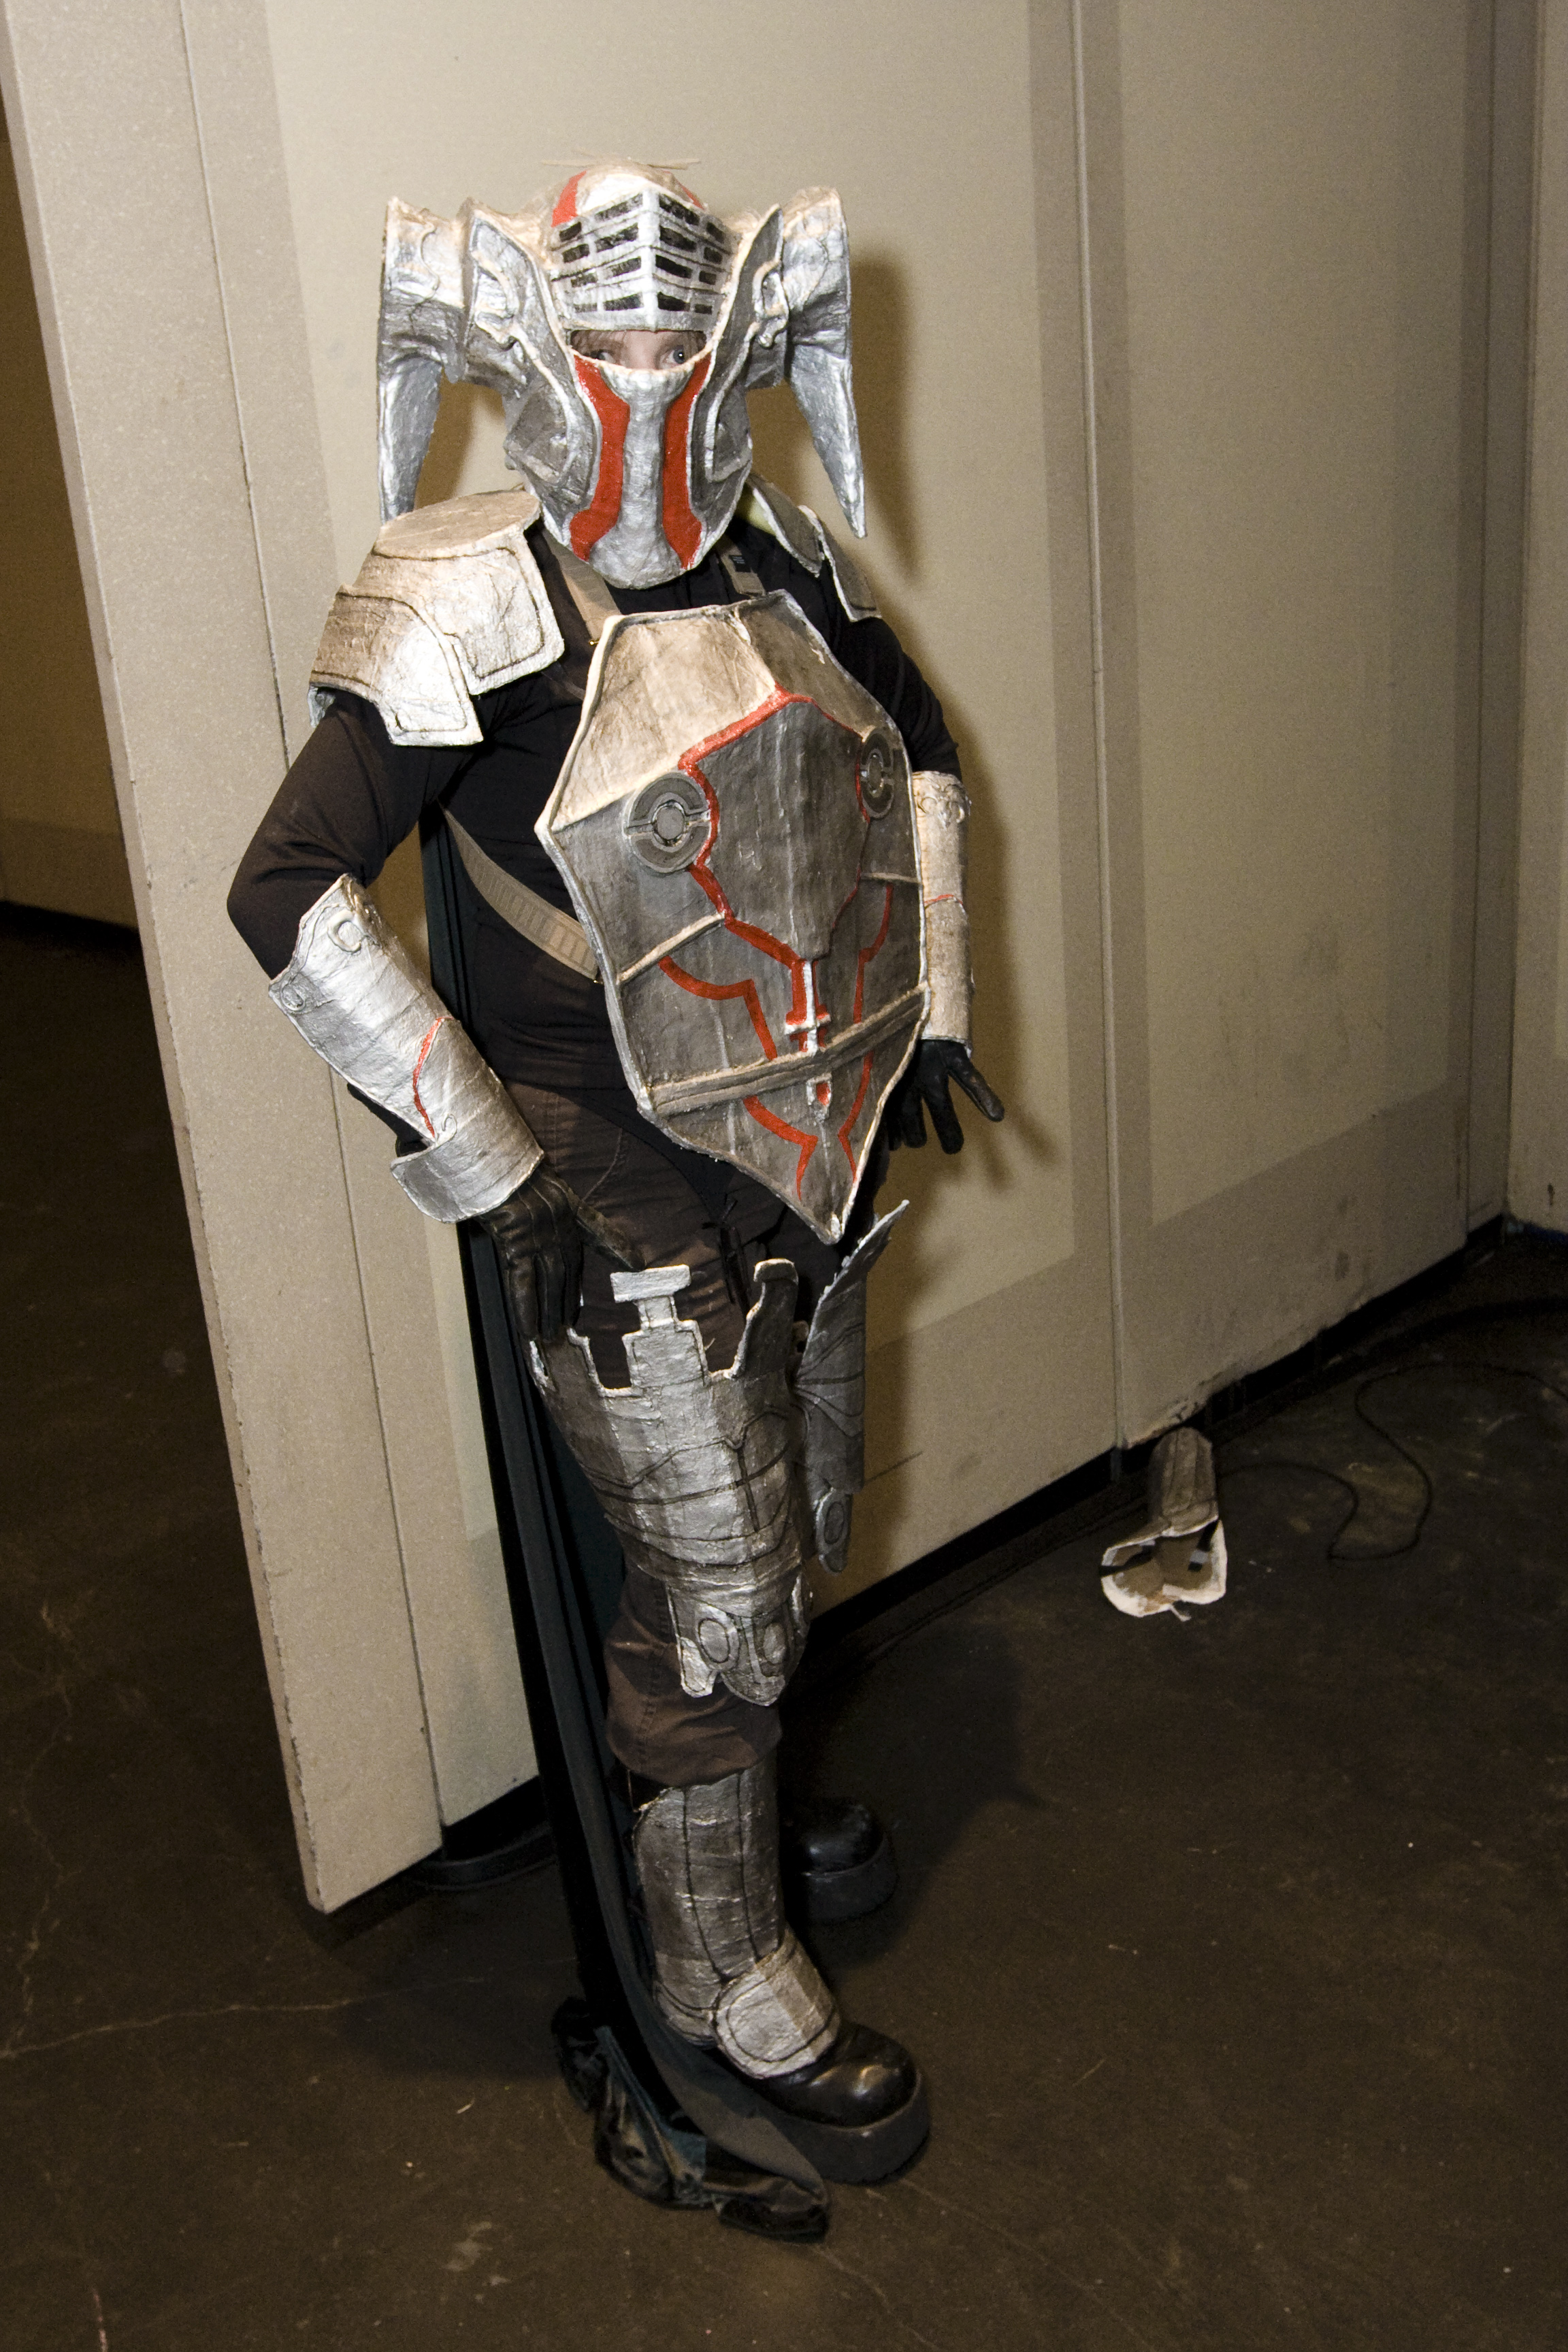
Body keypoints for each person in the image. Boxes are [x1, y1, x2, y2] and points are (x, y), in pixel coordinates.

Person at [229, 161, 1002, 2187]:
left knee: (798, 1527)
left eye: (689, 355)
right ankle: (718, 1969)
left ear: (742, 359)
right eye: (621, 358)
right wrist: (495, 1171)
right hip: (605, 1174)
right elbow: (288, 889)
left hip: (802, 1140)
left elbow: (914, 751)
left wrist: (926, 1005)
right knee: (720, 1604)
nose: (655, 401)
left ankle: (738, 1825)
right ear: (538, 364)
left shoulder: (780, 560)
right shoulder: (468, 595)